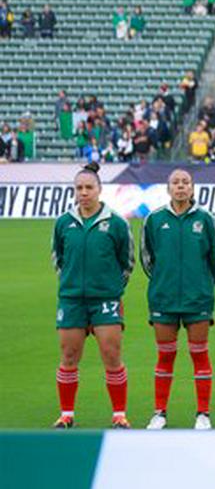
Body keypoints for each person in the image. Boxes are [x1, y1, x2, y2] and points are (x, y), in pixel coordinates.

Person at [51, 164, 134, 428]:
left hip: (105, 299)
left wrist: (110, 288)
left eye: (89, 187)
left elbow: (127, 261)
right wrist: (71, 283)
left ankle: (119, 414)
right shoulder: (64, 222)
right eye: (79, 188)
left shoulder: (117, 223)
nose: (84, 192)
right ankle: (66, 415)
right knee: (69, 355)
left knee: (111, 355)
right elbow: (58, 258)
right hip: (72, 299)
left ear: (99, 190)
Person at [140, 169, 215, 430]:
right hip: (163, 298)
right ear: (168, 188)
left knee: (200, 355)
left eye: (185, 182)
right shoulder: (154, 219)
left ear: (193, 187)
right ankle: (160, 413)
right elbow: (147, 259)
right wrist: (165, 279)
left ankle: (203, 414)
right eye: (175, 182)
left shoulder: (206, 219)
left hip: (198, 298)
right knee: (165, 356)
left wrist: (202, 285)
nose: (181, 187)